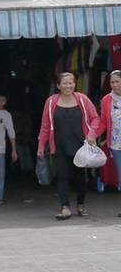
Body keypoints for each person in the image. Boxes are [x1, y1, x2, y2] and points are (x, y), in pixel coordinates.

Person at [37, 72, 99, 220]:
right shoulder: (51, 102)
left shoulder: (82, 99)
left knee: (80, 178)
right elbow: (45, 125)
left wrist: (91, 134)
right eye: (64, 83)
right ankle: (65, 207)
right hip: (59, 146)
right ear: (58, 86)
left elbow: (95, 118)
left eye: (71, 82)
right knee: (62, 177)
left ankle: (80, 205)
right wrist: (41, 145)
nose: (68, 86)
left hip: (80, 146)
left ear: (75, 84)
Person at [95, 69, 121, 199]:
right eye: (112, 82)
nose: (115, 85)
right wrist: (93, 135)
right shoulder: (106, 99)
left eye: (117, 82)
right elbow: (103, 121)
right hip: (116, 144)